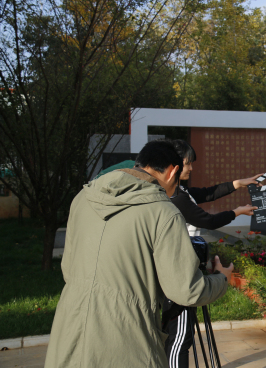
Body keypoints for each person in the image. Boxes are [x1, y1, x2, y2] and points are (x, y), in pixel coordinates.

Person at [45, 140, 233, 368]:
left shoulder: (82, 199)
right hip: (126, 340)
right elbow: (185, 290)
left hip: (70, 334)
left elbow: (69, 268)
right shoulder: (163, 212)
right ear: (173, 171)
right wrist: (221, 279)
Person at [163, 139, 261, 368]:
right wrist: (237, 212)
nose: (191, 168)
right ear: (175, 165)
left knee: (182, 335)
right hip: (181, 274)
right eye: (188, 163)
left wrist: (238, 183)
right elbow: (209, 220)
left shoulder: (181, 190)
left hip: (187, 267)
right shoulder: (175, 198)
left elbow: (208, 193)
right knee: (180, 338)